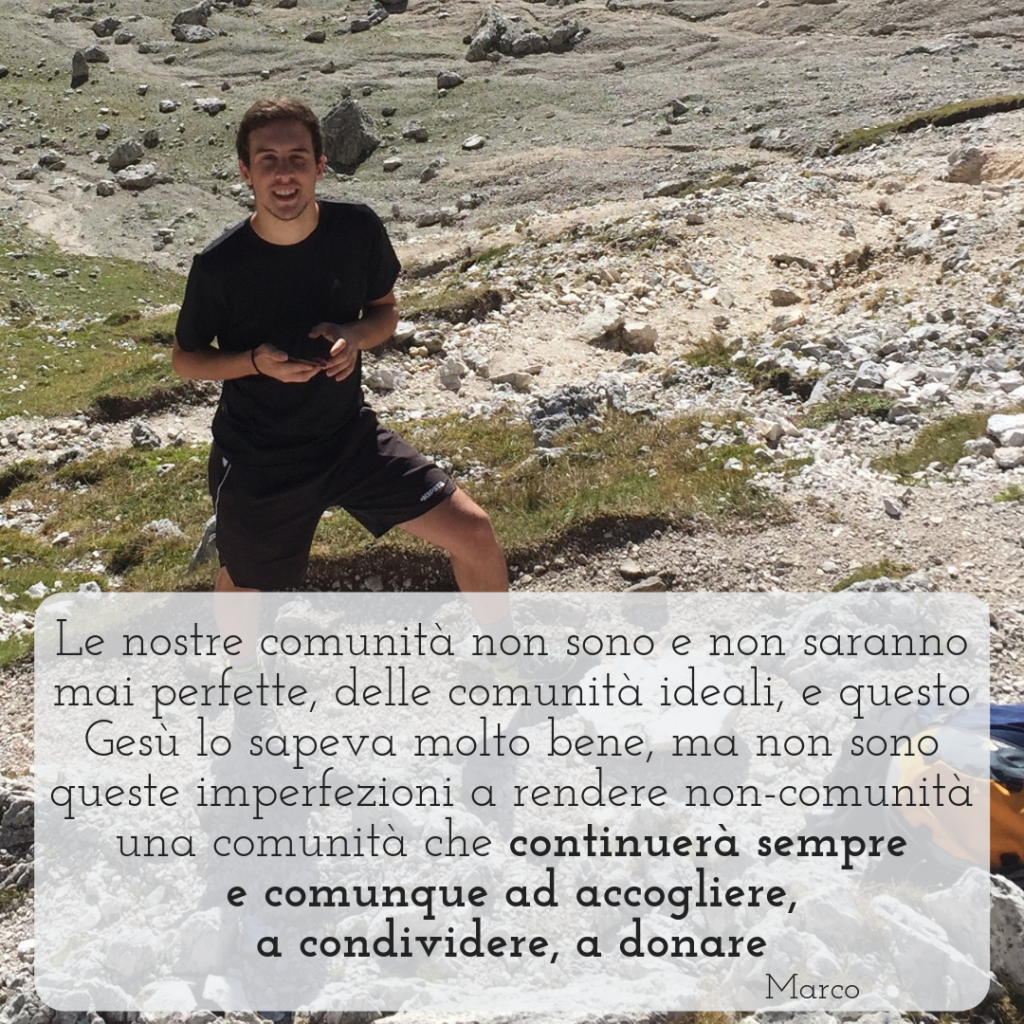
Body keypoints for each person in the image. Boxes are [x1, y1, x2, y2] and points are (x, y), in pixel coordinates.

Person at [172, 97, 508, 596]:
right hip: (258, 459)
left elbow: (384, 312)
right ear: (245, 172)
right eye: (268, 160)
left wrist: (354, 337)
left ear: (320, 166)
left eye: (297, 158)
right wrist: (254, 363)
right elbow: (185, 360)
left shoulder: (357, 229)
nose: (284, 174)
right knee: (247, 585)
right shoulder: (220, 265)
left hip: (348, 436)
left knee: (474, 532)